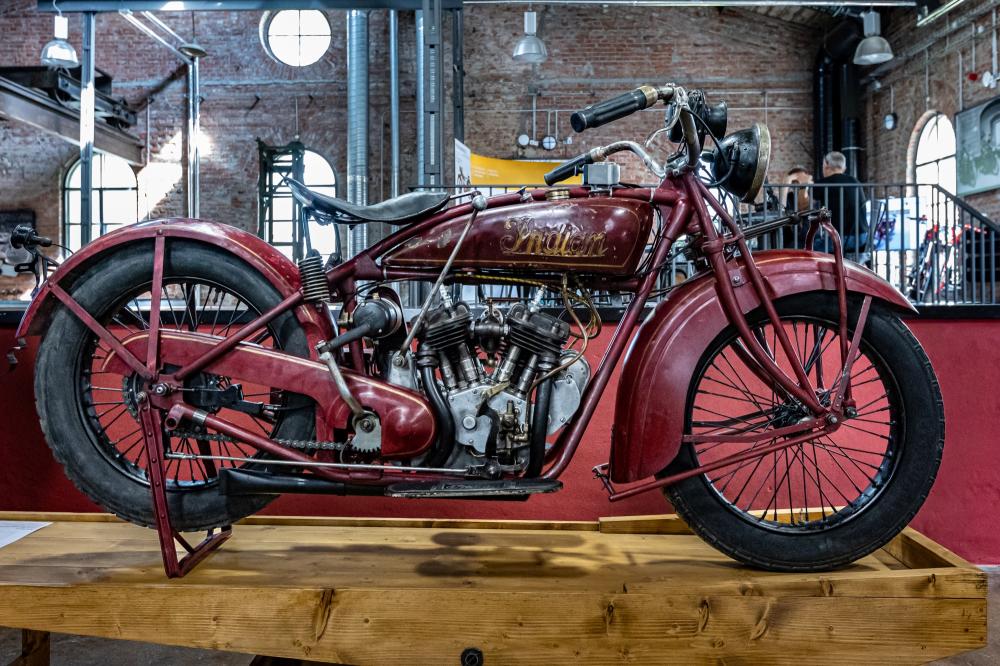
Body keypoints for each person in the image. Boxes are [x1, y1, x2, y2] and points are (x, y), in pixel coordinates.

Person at [813, 151, 868, 256]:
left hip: (841, 239)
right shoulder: (855, 181)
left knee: (808, 246)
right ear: (844, 167)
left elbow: (807, 204)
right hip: (862, 237)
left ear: (826, 165)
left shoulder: (823, 184)